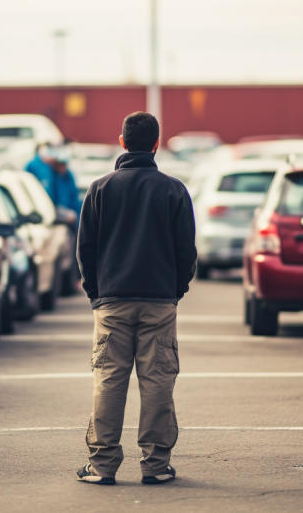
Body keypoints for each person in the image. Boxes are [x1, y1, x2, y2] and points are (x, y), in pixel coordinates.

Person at [75, 111, 197, 486]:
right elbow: (186, 252)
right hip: (160, 301)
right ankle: (156, 466)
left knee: (109, 380)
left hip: (111, 302)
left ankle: (102, 465)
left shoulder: (99, 189)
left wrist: (97, 294)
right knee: (158, 380)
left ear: (121, 141)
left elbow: (85, 250)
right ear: (157, 145)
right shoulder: (174, 190)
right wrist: (175, 291)